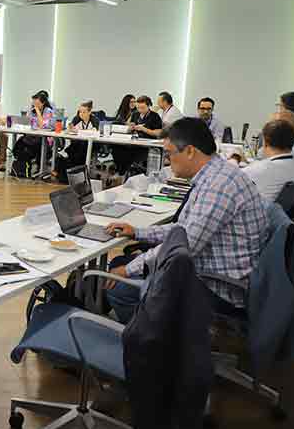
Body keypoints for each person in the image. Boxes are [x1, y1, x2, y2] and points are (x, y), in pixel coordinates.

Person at [104, 118, 268, 324]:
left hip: (218, 289)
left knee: (120, 287)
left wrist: (128, 270)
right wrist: (137, 232)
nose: (167, 161)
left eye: (170, 153)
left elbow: (183, 246)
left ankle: (151, 346)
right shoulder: (215, 176)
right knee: (121, 265)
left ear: (190, 151)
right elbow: (182, 230)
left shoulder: (218, 186)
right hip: (214, 271)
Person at [238, 119, 294, 202]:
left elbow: (234, 177)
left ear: (265, 142)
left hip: (259, 212)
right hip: (280, 213)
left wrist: (234, 159)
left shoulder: (262, 168)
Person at [111, 96, 163, 175]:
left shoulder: (155, 116)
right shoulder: (135, 114)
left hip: (147, 145)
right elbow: (129, 127)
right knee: (117, 148)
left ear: (149, 106)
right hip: (134, 142)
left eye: (142, 108)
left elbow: (158, 132)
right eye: (138, 107)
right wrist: (130, 127)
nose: (140, 110)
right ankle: (121, 172)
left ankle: (129, 171)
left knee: (132, 154)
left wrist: (144, 129)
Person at [53, 100, 100, 182]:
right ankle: (64, 175)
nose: (81, 114)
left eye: (84, 112)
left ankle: (76, 175)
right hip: (77, 144)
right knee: (70, 151)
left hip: (90, 145)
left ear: (89, 112)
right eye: (80, 112)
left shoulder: (94, 119)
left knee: (78, 151)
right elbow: (69, 130)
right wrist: (70, 129)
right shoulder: (77, 118)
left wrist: (78, 131)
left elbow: (94, 131)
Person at [11, 91, 54, 177]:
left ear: (43, 103)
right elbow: (28, 123)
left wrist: (37, 111)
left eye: (37, 103)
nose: (35, 105)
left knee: (32, 145)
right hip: (32, 137)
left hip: (45, 139)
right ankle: (21, 168)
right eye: (34, 103)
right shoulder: (31, 110)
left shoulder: (48, 111)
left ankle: (40, 168)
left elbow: (43, 125)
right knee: (20, 144)